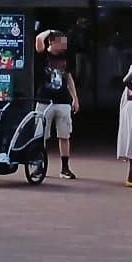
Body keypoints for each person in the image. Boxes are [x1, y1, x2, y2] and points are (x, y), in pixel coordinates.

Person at [34, 30, 80, 179]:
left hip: (63, 101)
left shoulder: (66, 57)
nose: (63, 46)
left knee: (64, 135)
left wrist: (75, 98)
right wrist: (50, 31)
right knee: (40, 135)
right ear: (52, 42)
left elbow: (69, 77)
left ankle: (65, 168)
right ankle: (39, 165)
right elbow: (38, 39)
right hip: (44, 100)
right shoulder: (43, 55)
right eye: (61, 42)